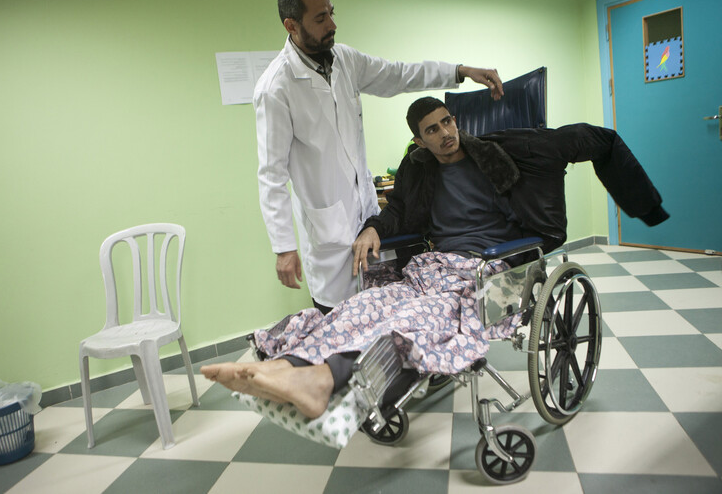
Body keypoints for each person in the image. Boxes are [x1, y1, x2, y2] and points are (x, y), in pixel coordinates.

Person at [206, 96, 668, 419]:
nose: (447, 134)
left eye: (448, 122)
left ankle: (324, 377)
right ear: (419, 140)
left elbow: (596, 139)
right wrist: (372, 227)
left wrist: (645, 206)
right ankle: (287, 365)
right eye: (433, 130)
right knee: (362, 305)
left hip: (490, 267)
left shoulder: (505, 152)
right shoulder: (418, 167)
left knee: (415, 315)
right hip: (432, 266)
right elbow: (402, 210)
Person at [255, 0, 505, 313]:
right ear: (291, 25)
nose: (332, 23)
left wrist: (459, 71)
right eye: (320, 17)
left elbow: (399, 74)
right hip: (329, 235)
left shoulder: (345, 60)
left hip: (368, 220)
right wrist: (284, 247)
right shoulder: (276, 88)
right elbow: (271, 175)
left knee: (383, 321)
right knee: (342, 329)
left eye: (331, 11)